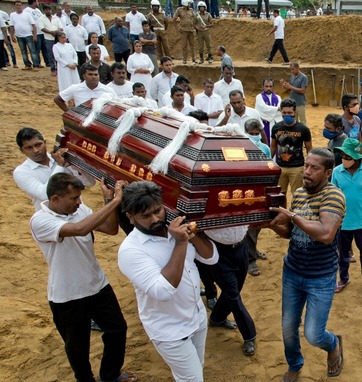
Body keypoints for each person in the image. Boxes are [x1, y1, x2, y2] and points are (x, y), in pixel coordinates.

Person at [30, 173, 136, 382]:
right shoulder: (39, 220)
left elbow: (110, 229)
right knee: (77, 346)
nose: (79, 202)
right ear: (55, 200)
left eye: (80, 197)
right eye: (74, 198)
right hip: (67, 294)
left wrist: (108, 201)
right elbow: (81, 229)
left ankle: (110, 374)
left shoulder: (79, 209)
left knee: (117, 329)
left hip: (97, 284)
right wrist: (116, 200)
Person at [118, 181, 218, 381]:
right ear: (130, 217)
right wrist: (181, 243)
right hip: (170, 331)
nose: (155, 219)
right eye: (145, 216)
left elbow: (211, 257)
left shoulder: (175, 230)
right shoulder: (131, 251)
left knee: (196, 369)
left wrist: (191, 235)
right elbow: (163, 291)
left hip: (197, 317)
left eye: (158, 211)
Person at [266, 147, 346, 381]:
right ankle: (295, 364)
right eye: (306, 166)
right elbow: (291, 233)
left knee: (313, 334)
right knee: (288, 328)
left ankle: (332, 345)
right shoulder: (299, 193)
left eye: (315, 168)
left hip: (320, 277)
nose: (307, 171)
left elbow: (325, 234)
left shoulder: (334, 196)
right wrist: (270, 224)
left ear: (328, 172)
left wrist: (292, 216)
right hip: (292, 272)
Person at [330, 138, 362, 298]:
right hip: (342, 223)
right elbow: (333, 195)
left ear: (357, 157)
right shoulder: (337, 172)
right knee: (342, 255)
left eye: (347, 156)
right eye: (343, 156)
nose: (344, 159)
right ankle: (344, 279)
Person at [204, 221, 258, 356]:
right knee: (233, 296)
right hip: (218, 250)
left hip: (241, 245)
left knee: (234, 290)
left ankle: (217, 317)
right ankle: (249, 335)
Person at [14, 127, 95, 211]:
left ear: (45, 142)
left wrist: (70, 163)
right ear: (22, 150)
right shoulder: (21, 172)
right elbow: (45, 195)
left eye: (38, 145)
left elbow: (89, 182)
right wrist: (60, 165)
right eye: (29, 148)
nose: (36, 150)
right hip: (52, 219)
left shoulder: (61, 158)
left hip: (80, 213)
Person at [243, 118, 271, 277]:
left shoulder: (264, 148)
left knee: (258, 224)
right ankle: (250, 259)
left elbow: (269, 166)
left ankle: (252, 250)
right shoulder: (240, 147)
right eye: (251, 134)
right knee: (249, 226)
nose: (255, 136)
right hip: (246, 191)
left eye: (257, 133)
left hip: (261, 189)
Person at [270, 98, 312, 202]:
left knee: (297, 195)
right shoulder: (276, 127)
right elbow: (273, 146)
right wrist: (269, 161)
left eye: (290, 112)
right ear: (281, 112)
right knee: (280, 195)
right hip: (280, 167)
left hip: (297, 168)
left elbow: (309, 148)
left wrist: (309, 165)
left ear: (295, 112)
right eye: (284, 113)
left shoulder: (303, 129)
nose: (287, 115)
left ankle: (295, 216)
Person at [9, 0, 40, 70]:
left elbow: (34, 25)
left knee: (32, 51)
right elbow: (11, 26)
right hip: (19, 36)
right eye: (17, 5)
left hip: (28, 35)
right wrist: (12, 35)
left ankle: (36, 65)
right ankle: (27, 65)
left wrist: (35, 35)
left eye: (20, 5)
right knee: (23, 51)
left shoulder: (27, 14)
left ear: (22, 6)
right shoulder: (12, 15)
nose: (18, 7)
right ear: (15, 6)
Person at [255, 77, 282, 144]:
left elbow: (280, 112)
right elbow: (263, 108)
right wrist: (276, 109)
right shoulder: (259, 97)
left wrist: (268, 113)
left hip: (275, 124)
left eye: (270, 86)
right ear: (262, 86)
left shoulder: (278, 98)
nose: (268, 88)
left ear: (273, 87)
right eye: (266, 86)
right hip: (264, 124)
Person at [38, 4, 61, 77]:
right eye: (46, 10)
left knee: (59, 54)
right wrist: (51, 32)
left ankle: (59, 69)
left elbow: (61, 28)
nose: (48, 11)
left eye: (49, 9)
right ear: (44, 11)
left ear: (51, 10)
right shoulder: (41, 18)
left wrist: (56, 32)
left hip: (57, 38)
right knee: (51, 54)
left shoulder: (56, 18)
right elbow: (42, 28)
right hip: (48, 39)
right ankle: (53, 69)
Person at [26, 0, 47, 67]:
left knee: (44, 48)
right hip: (36, 33)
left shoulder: (38, 10)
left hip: (42, 32)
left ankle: (47, 62)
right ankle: (37, 63)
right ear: (34, 2)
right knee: (37, 49)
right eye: (37, 2)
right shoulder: (27, 10)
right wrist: (33, 33)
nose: (38, 3)